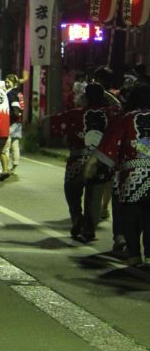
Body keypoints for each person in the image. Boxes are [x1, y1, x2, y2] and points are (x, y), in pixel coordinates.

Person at [87, 84, 150, 266]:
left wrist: (93, 163)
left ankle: (134, 255)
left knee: (130, 217)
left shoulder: (125, 119)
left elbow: (110, 145)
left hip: (132, 175)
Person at [50, 83, 118, 242]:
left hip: (77, 161)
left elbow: (50, 124)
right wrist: (106, 93)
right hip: (101, 162)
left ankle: (76, 217)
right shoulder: (111, 114)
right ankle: (89, 229)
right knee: (95, 196)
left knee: (72, 191)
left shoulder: (75, 114)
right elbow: (119, 105)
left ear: (86, 97)